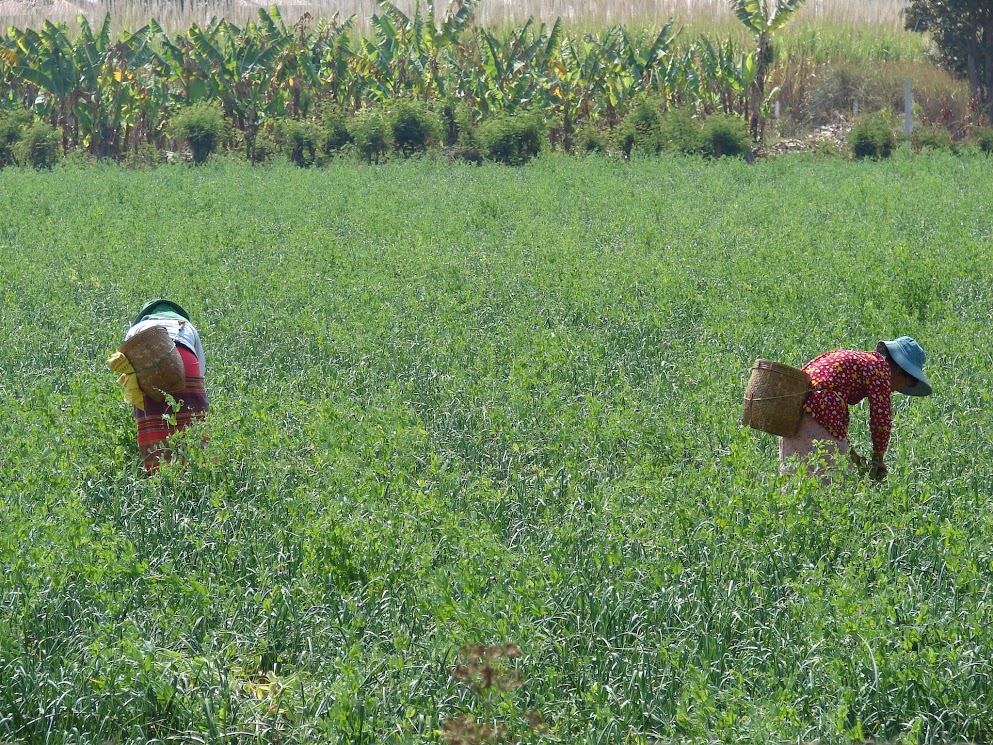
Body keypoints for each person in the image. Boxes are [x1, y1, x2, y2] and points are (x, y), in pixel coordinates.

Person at [779, 336, 931, 483]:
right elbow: (881, 420)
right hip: (817, 412)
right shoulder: (881, 370)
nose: (901, 388)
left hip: (794, 410)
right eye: (909, 383)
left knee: (796, 477)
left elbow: (835, 430)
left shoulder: (863, 361)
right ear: (899, 369)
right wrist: (878, 458)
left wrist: (855, 457)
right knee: (834, 480)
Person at [113, 299, 210, 473]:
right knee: (194, 420)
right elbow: (201, 369)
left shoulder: (136, 329)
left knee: (153, 420)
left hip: (148, 370)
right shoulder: (187, 326)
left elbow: (129, 371)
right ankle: (197, 472)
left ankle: (159, 474)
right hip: (185, 363)